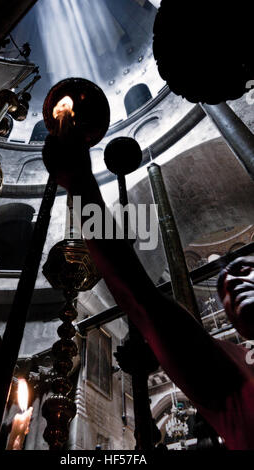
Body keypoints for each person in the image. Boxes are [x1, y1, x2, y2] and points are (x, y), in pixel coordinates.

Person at [43, 133, 254, 450]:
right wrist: (81, 186)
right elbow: (142, 299)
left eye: (245, 268)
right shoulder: (236, 372)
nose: (231, 281)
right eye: (224, 289)